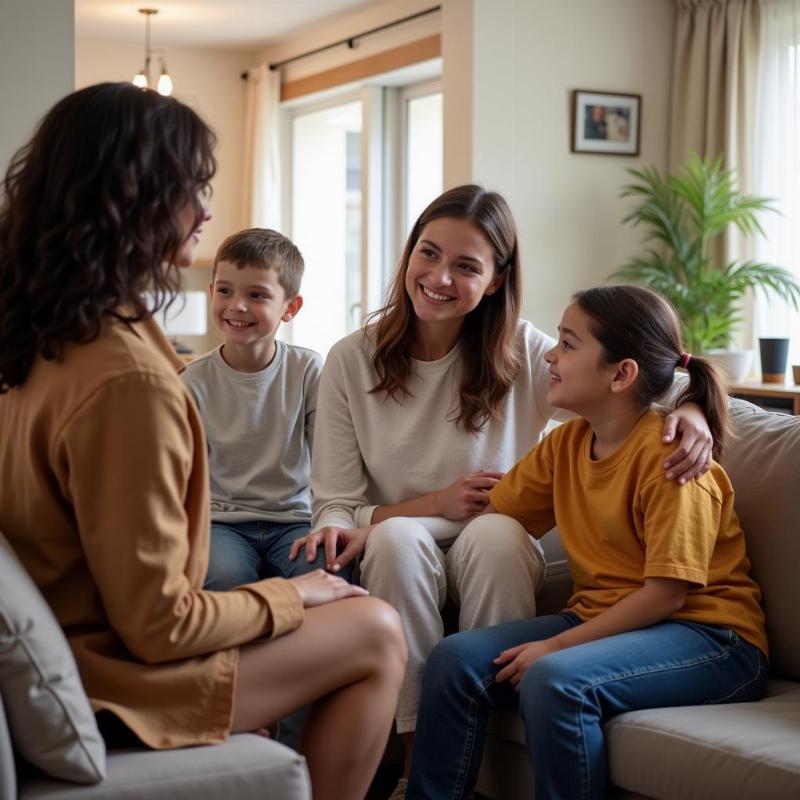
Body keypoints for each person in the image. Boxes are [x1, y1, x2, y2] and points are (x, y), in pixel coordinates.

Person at [0, 83, 406, 800]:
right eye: (195, 186)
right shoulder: (128, 382)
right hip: (116, 677)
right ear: (140, 197)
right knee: (374, 628)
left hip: (85, 638)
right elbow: (160, 623)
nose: (208, 208)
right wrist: (290, 594)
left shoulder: (44, 336)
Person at [290, 184, 715, 798]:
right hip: (398, 536)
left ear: (494, 280)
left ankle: (490, 764)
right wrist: (430, 505)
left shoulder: (526, 350)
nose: (439, 276)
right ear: (408, 254)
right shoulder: (351, 360)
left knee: (492, 532)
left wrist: (697, 411)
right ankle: (418, 765)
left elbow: (639, 381)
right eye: (428, 254)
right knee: (399, 540)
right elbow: (334, 503)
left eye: (466, 265)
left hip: (499, 535)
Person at [406, 284, 768, 800]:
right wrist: (375, 526)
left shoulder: (672, 462)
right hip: (604, 618)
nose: (551, 355)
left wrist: (555, 646)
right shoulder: (567, 444)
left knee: (554, 679)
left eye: (570, 344)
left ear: (622, 374)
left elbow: (667, 594)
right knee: (454, 660)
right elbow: (488, 510)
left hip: (712, 639)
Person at [182, 228, 354, 590]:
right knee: (224, 576)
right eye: (225, 291)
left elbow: (330, 460)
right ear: (211, 293)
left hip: (295, 520)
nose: (237, 305)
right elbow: (183, 474)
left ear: (290, 308)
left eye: (256, 294)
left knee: (328, 569)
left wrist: (327, 523)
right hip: (220, 523)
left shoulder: (307, 370)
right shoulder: (192, 381)